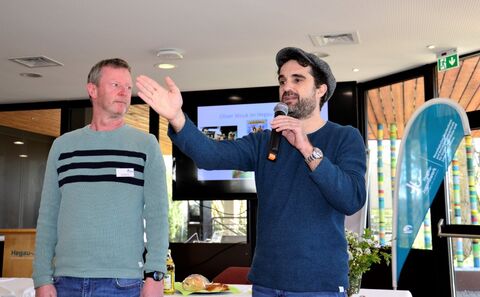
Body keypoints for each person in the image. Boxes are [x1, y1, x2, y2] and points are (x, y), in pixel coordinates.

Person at [136, 47, 366, 296]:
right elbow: (210, 155)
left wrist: (305, 146)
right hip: (267, 283)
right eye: (282, 80)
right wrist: (177, 117)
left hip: (319, 284)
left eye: (297, 79)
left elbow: (351, 199)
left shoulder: (345, 137)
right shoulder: (265, 141)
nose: (286, 87)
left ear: (321, 90)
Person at [33, 58, 169, 297]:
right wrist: (41, 278)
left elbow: (158, 215)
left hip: (123, 283)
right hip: (65, 282)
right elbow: (48, 217)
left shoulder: (146, 145)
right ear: (92, 90)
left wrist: (156, 274)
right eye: (115, 84)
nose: (124, 92)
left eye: (128, 87)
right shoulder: (62, 146)